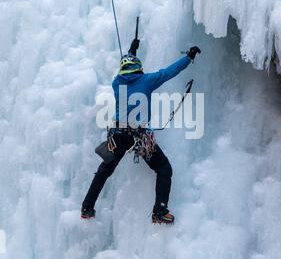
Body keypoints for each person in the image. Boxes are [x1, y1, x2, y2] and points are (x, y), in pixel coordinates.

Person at [81, 40, 201, 225]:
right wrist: (188, 57)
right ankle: (160, 210)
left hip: (118, 135)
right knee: (164, 169)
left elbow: (127, 70)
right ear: (138, 67)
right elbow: (168, 72)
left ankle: (87, 207)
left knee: (104, 170)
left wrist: (131, 50)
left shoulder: (116, 83)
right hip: (139, 137)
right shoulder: (147, 80)